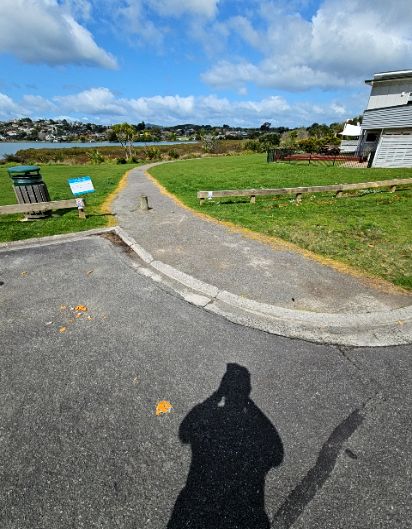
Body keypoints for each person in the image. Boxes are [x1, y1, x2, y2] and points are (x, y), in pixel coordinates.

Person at [167, 363, 284, 529]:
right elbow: (276, 454)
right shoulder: (250, 425)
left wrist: (217, 395)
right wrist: (248, 403)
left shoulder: (213, 417)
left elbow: (185, 431)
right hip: (243, 508)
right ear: (248, 388)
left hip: (199, 501)